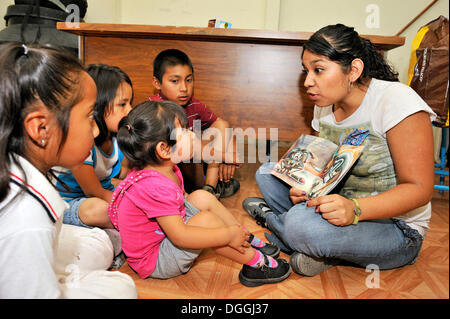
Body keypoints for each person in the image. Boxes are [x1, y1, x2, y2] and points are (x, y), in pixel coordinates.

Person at [243, 24, 436, 277]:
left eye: (319, 70)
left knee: (300, 224)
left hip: (396, 228)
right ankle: (314, 245)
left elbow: (420, 190)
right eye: (307, 71)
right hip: (339, 204)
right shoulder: (324, 105)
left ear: (354, 70)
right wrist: (305, 185)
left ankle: (278, 225)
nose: (308, 82)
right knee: (267, 172)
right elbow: (323, 165)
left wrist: (355, 209)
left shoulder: (397, 100)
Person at [0, 42, 137, 298]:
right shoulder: (28, 222)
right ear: (41, 129)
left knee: (115, 276)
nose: (95, 130)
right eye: (88, 116)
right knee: (123, 288)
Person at [108, 100, 291, 287]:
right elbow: (180, 236)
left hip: (164, 236)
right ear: (163, 149)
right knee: (206, 221)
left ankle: (244, 238)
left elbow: (199, 152)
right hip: (156, 260)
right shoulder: (154, 187)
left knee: (201, 196)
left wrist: (225, 156)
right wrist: (226, 236)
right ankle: (257, 264)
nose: (191, 135)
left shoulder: (162, 166)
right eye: (184, 131)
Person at [149, 49, 241, 198]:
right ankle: (195, 192)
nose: (184, 88)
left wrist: (230, 152)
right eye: (175, 81)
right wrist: (224, 157)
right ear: (157, 83)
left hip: (189, 169)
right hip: (162, 173)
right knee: (187, 142)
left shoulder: (193, 104)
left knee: (220, 127)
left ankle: (210, 188)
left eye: (189, 80)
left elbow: (222, 125)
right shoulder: (153, 108)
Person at [55, 64, 133, 230]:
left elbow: (120, 175)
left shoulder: (116, 138)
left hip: (104, 191)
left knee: (138, 190)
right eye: (122, 104)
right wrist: (132, 206)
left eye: (130, 103)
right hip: (71, 201)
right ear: (97, 106)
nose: (129, 110)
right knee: (99, 210)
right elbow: (94, 192)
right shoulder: (83, 145)